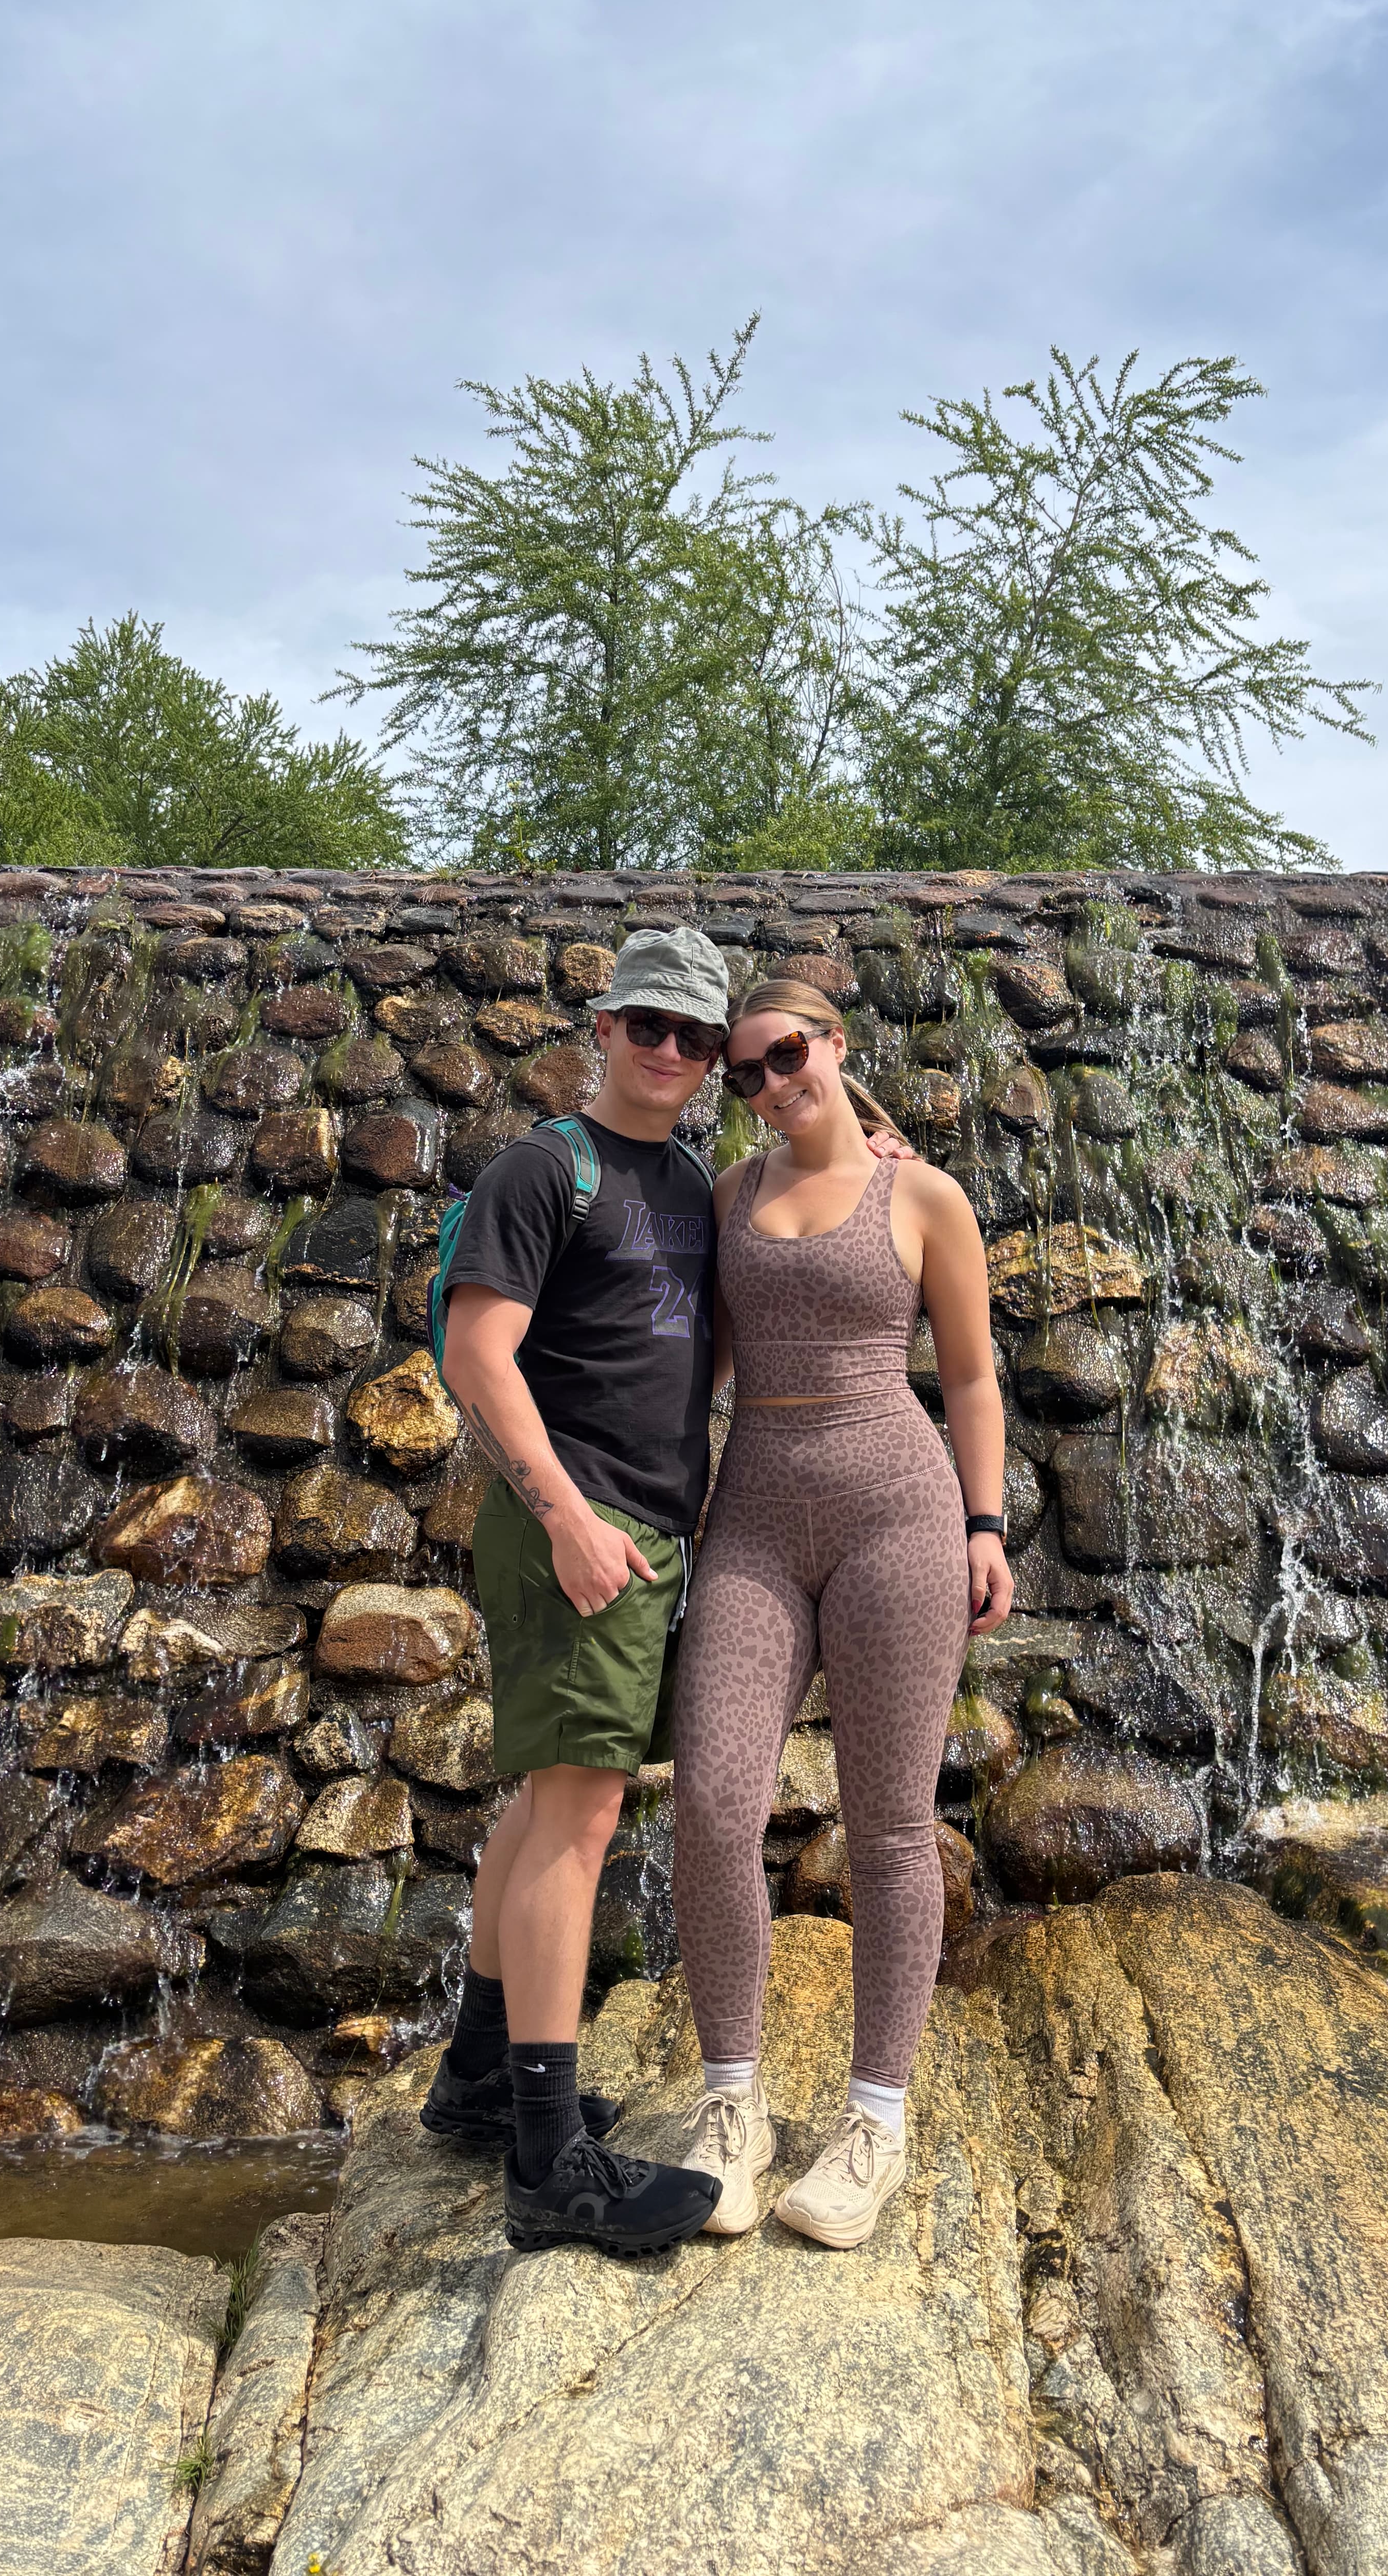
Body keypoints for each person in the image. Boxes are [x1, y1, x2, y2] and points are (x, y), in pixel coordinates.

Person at [425, 928, 906, 2255]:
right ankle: (549, 2159)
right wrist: (568, 1519)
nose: (677, 1054)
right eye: (653, 1025)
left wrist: (883, 1171)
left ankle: (474, 2078)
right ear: (605, 1024)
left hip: (648, 1532)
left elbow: (804, 1233)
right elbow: (478, 1354)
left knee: (548, 1805)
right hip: (578, 1528)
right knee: (579, 1823)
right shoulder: (545, 1167)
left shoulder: (694, 1182)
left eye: (704, 1042)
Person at [672, 976, 1013, 2250]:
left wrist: (985, 1525)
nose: (770, 1083)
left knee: (889, 1825)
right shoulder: (728, 1196)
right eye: (745, 1071)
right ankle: (732, 2109)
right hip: (755, 1517)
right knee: (711, 1798)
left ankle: (875, 2117)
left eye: (788, 1054)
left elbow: (970, 1375)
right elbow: (696, 1359)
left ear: (836, 1048)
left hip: (899, 1522)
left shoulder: (922, 1196)